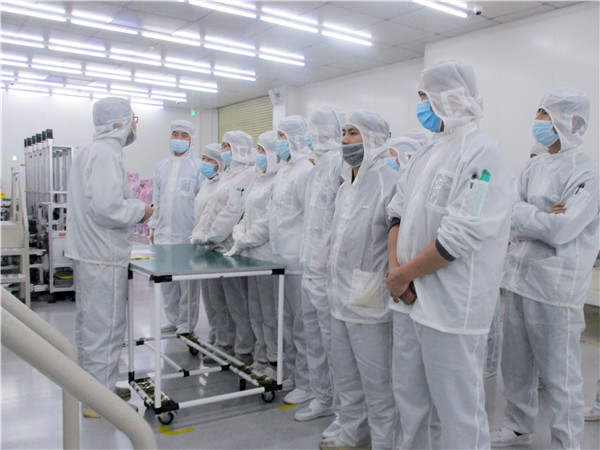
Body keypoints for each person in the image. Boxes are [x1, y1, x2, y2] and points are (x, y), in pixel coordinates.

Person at [386, 60, 513, 449]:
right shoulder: (425, 154)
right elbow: (395, 212)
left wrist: (404, 274)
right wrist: (395, 271)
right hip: (409, 300)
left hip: (452, 307)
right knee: (410, 403)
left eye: (426, 96)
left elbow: (460, 234)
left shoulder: (482, 154)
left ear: (450, 98)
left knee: (458, 413)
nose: (421, 106)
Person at [492, 87, 599, 449]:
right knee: (515, 365)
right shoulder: (533, 166)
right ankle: (517, 427)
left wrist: (526, 214)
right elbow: (509, 214)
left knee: (560, 374)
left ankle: (567, 441)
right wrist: (539, 214)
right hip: (518, 279)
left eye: (545, 114)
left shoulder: (588, 173)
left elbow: (562, 230)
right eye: (539, 112)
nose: (537, 120)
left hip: (556, 287)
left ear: (569, 121)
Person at [65, 97, 153, 418]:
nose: (135, 125)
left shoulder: (91, 151)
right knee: (106, 327)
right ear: (121, 122)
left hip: (92, 254)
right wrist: (141, 210)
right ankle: (98, 400)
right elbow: (108, 208)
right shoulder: (106, 154)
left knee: (91, 327)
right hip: (102, 255)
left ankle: (95, 387)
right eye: (134, 118)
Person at [319, 111, 398, 450]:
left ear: (374, 139)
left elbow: (397, 240)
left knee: (377, 383)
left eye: (354, 133)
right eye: (344, 133)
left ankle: (383, 443)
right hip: (339, 296)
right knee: (346, 378)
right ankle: (353, 435)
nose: (345, 140)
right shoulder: (345, 186)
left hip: (369, 299)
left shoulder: (389, 182)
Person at [297, 107, 346, 431]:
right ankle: (322, 396)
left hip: (328, 273)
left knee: (335, 346)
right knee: (313, 339)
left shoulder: (340, 165)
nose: (312, 135)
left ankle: (344, 411)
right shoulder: (316, 169)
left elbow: (342, 220)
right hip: (308, 268)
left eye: (317, 129)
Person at [191, 131, 256, 365]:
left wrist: (212, 236)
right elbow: (211, 209)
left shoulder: (249, 175)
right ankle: (223, 343)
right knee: (217, 301)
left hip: (229, 249)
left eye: (227, 146)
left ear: (239, 148)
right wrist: (201, 233)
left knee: (237, 303)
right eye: (223, 146)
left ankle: (244, 348)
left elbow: (232, 211)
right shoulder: (227, 175)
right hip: (213, 247)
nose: (224, 151)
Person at [224, 130, 283, 374]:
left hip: (267, 256)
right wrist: (239, 234)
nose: (257, 154)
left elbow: (268, 221)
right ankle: (261, 357)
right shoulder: (259, 179)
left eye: (261, 150)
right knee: (255, 311)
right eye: (257, 149)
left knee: (270, 314)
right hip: (251, 256)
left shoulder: (278, 180)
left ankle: (275, 360)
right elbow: (245, 214)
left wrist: (245, 239)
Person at [268, 115, 314, 404]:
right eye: (278, 136)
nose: (279, 142)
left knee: (301, 326)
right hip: (279, 259)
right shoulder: (283, 171)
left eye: (283, 136)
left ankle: (308, 383)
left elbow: (309, 219)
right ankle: (292, 374)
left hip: (297, 261)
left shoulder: (306, 171)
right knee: (284, 322)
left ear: (296, 138)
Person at [149, 120, 203, 335]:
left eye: (184, 135)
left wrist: (199, 232)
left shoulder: (198, 167)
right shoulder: (161, 167)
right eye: (175, 134)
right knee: (167, 283)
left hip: (187, 234)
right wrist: (153, 226)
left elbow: (201, 202)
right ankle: (173, 318)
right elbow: (157, 199)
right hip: (164, 233)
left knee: (187, 283)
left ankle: (186, 323)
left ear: (191, 139)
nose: (179, 139)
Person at [193, 144, 233, 349]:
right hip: (203, 248)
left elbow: (220, 216)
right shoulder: (205, 183)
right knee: (208, 298)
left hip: (219, 247)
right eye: (204, 158)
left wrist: (209, 236)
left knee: (220, 300)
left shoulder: (223, 183)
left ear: (219, 163)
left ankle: (225, 342)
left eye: (210, 160)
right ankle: (214, 336)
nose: (205, 163)